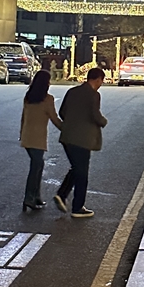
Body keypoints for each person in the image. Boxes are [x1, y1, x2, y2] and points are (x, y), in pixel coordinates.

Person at [54, 66, 107, 218]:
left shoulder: (72, 91)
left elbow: (62, 112)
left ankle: (62, 195)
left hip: (67, 136)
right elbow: (95, 114)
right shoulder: (94, 95)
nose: (101, 84)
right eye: (101, 81)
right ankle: (77, 207)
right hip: (83, 139)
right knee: (82, 173)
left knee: (76, 168)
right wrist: (103, 121)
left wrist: (71, 122)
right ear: (97, 79)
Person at [19, 70, 61, 211]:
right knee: (36, 167)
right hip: (38, 138)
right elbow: (54, 119)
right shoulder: (47, 99)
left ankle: (36, 196)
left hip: (27, 136)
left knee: (38, 165)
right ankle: (29, 198)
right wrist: (67, 129)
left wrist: (21, 134)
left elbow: (23, 117)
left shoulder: (28, 97)